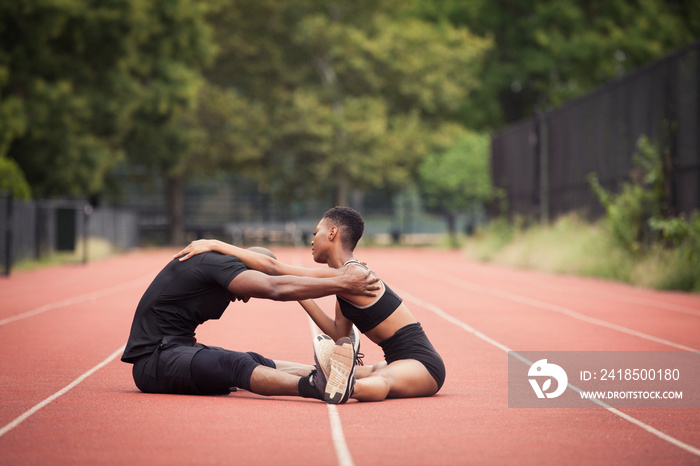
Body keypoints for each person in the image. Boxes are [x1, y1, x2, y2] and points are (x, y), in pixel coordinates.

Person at [174, 207, 446, 402]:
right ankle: (339, 379)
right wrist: (300, 295)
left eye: (316, 232)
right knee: (375, 370)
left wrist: (215, 244)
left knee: (381, 380)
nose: (311, 240)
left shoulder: (356, 275)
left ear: (333, 233)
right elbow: (340, 333)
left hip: (422, 364)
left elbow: (273, 266)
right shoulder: (346, 285)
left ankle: (344, 386)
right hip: (396, 361)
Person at [121, 246, 380, 404]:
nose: (246, 298)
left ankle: (349, 375)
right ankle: (314, 386)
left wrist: (341, 275)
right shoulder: (220, 264)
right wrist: (343, 282)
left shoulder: (220, 262)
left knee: (252, 359)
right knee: (236, 365)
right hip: (153, 361)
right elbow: (275, 287)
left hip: (173, 350)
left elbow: (283, 281)